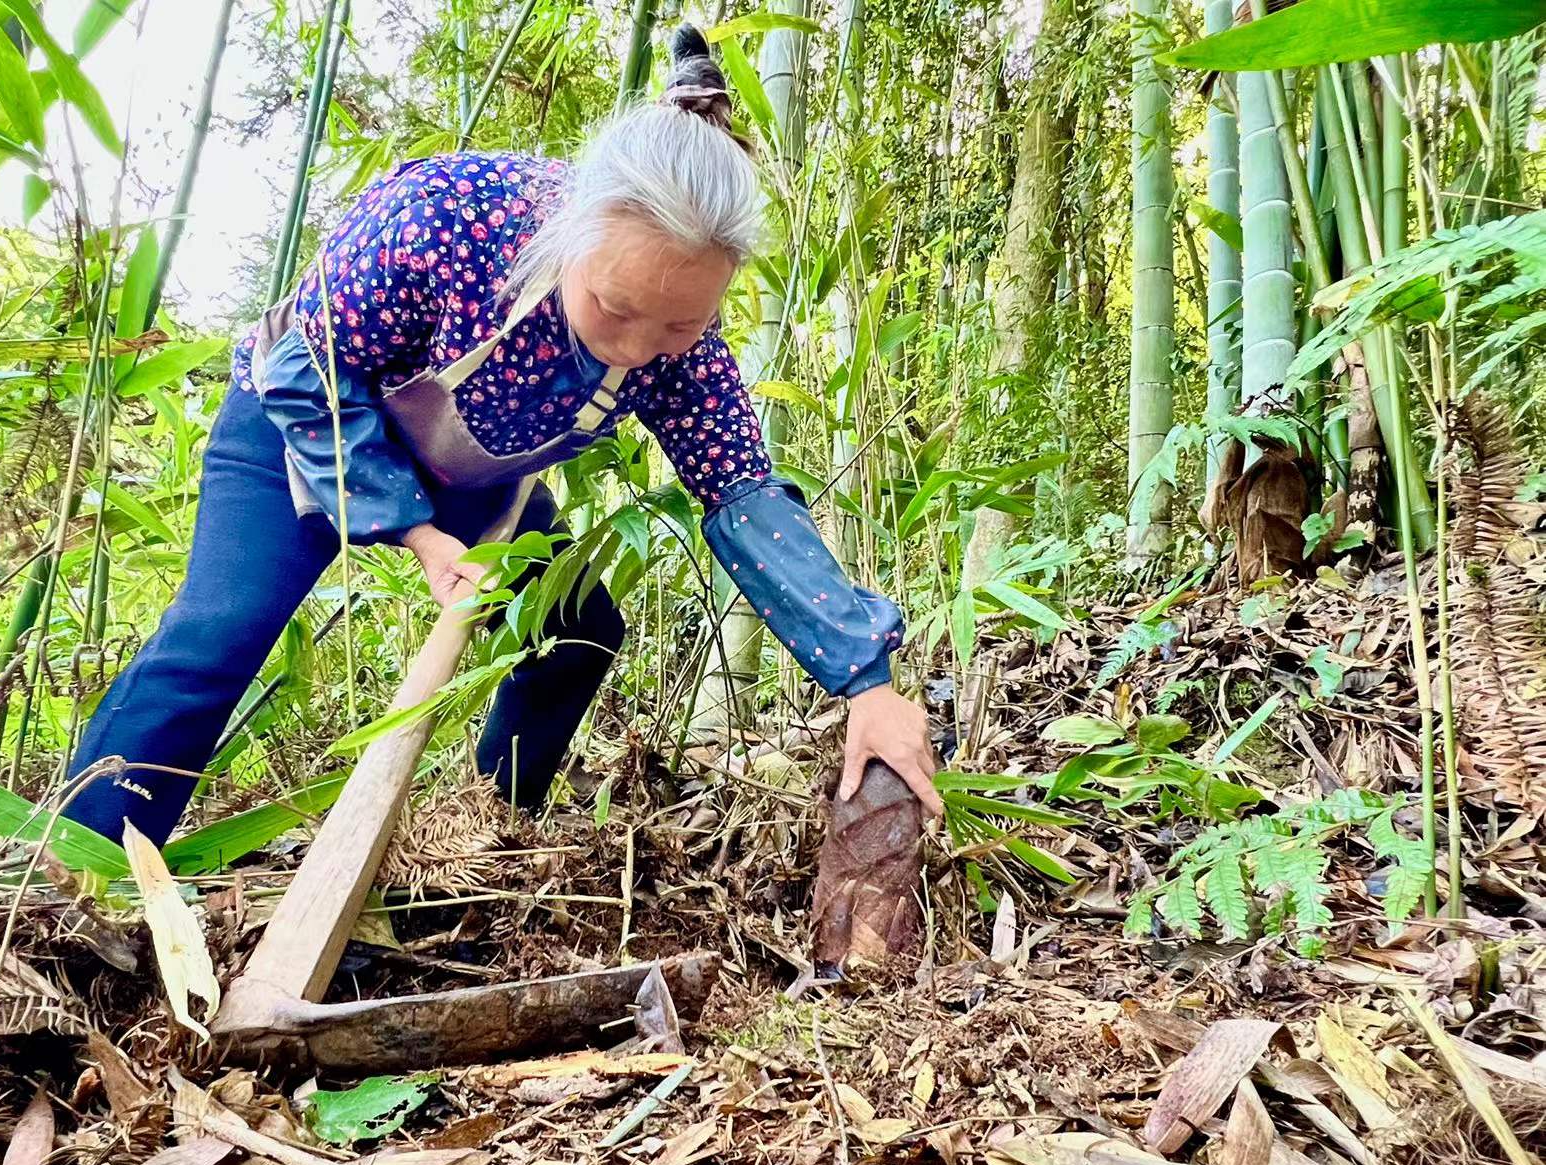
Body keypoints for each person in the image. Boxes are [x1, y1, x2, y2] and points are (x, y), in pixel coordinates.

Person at [65, 25, 941, 847]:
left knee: (578, 637)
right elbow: (308, 369)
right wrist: (415, 533)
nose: (637, 349)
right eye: (614, 307)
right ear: (572, 234)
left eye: (677, 327)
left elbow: (742, 494)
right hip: (307, 421)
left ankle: (491, 837)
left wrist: (868, 683)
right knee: (220, 634)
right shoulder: (449, 218)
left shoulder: (688, 353)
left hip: (479, 479)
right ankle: (78, 867)